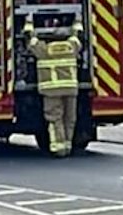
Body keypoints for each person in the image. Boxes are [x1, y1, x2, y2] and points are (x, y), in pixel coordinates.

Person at [25, 16, 84, 157]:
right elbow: (77, 36)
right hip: (71, 90)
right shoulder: (71, 47)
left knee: (55, 119)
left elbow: (30, 40)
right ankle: (68, 144)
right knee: (70, 118)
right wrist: (77, 20)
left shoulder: (44, 50)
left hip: (51, 91)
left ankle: (59, 147)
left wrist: (28, 22)